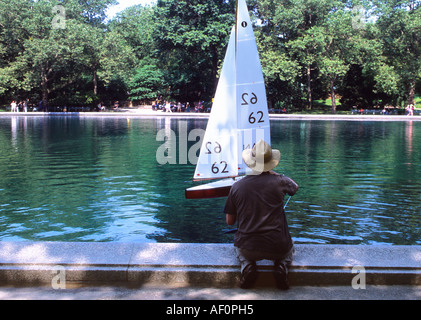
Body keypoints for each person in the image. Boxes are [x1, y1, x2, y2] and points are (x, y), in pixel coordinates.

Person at [224, 140, 299, 290]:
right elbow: (294, 187)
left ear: (250, 162)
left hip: (248, 247)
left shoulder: (237, 186)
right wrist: (274, 174)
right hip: (277, 246)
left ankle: (247, 267)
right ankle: (281, 267)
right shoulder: (280, 181)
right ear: (271, 163)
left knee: (240, 250)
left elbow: (229, 222)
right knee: (289, 250)